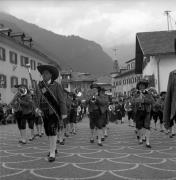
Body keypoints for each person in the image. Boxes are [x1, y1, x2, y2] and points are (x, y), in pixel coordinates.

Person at [36, 64, 67, 162]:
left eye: (46, 73)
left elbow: (62, 100)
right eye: (43, 73)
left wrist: (63, 112)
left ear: (51, 75)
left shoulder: (56, 85)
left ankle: (52, 152)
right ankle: (53, 148)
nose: (43, 75)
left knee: (53, 131)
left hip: (53, 112)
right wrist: (37, 108)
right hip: (44, 113)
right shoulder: (40, 85)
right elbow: (37, 98)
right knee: (48, 132)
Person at [133, 79, 154, 148]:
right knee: (139, 127)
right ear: (138, 86)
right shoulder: (136, 94)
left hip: (147, 111)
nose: (141, 87)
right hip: (138, 112)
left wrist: (144, 100)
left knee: (147, 126)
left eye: (143, 85)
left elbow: (151, 101)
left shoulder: (148, 93)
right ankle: (141, 138)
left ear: (145, 86)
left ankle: (147, 142)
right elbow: (132, 102)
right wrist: (138, 100)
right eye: (140, 85)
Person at [163, 70, 176, 138]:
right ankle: (171, 132)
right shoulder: (172, 74)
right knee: (171, 120)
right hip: (174, 104)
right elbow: (170, 91)